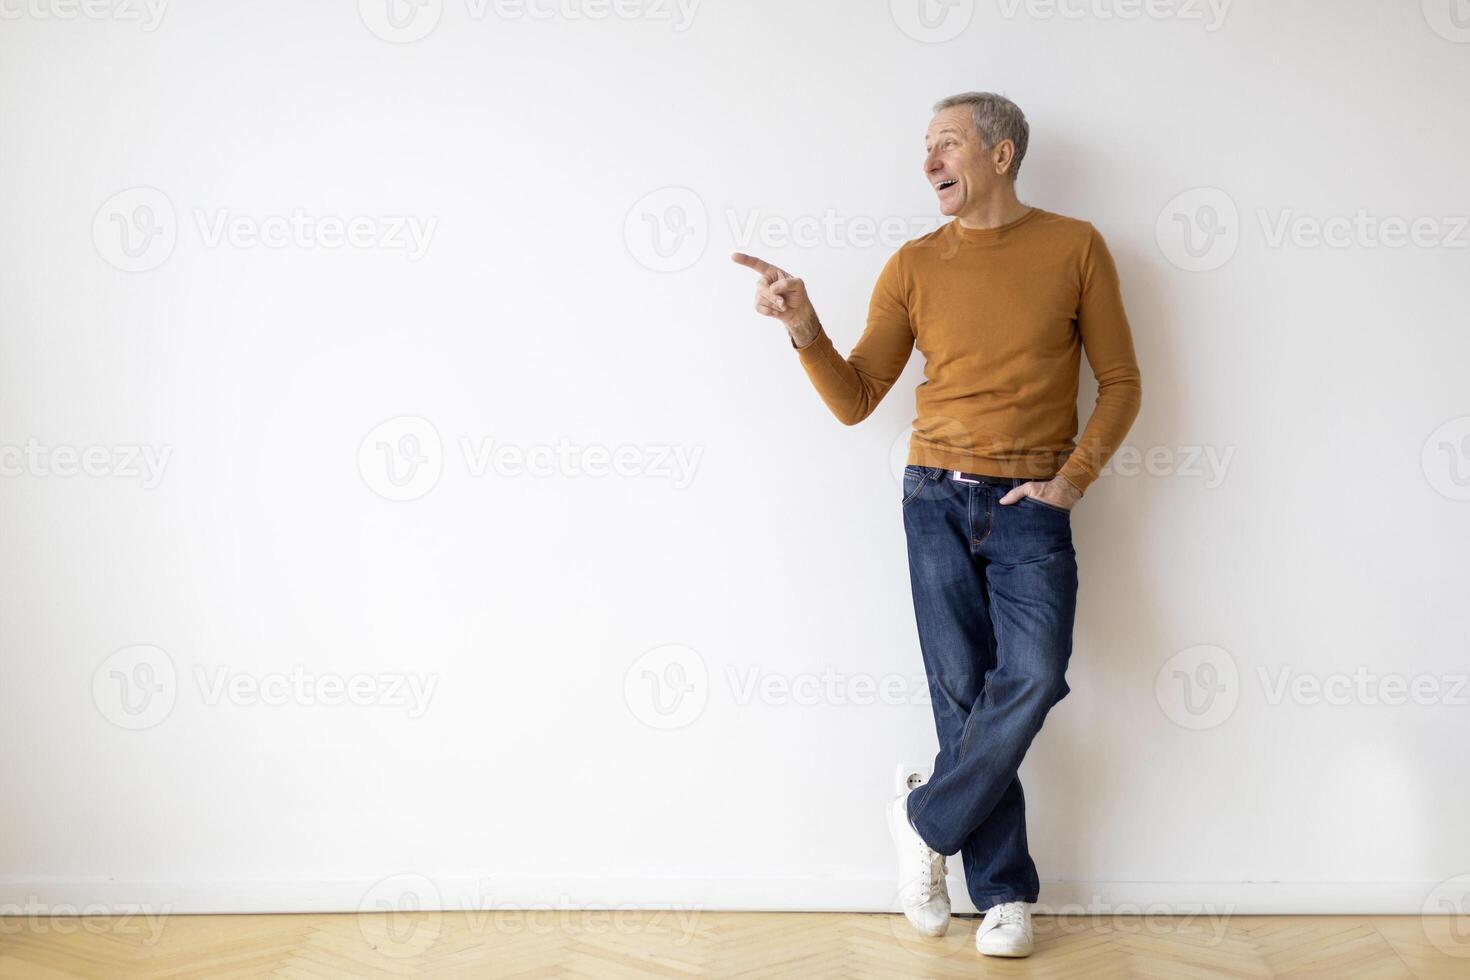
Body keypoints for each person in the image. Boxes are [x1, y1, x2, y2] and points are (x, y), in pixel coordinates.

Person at [732, 91, 1141, 959]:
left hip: (1033, 500)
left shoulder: (1077, 247)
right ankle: (1001, 897)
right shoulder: (914, 263)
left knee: (1032, 674)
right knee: (960, 697)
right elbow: (856, 399)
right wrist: (803, 326)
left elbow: (1122, 381)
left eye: (947, 143)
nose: (928, 160)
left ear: (999, 155)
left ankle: (921, 819)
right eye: (925, 145)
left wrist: (1070, 483)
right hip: (934, 495)